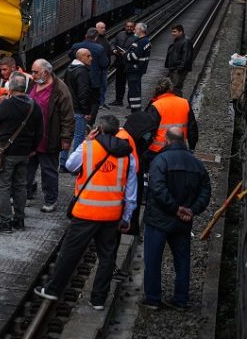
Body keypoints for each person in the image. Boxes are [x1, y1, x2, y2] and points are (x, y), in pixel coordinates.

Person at [35, 115, 137, 310]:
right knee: (107, 257)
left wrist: (85, 142)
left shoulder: (88, 147)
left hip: (86, 212)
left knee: (69, 252)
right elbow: (131, 190)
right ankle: (98, 300)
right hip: (111, 213)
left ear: (98, 129)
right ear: (117, 131)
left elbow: (69, 165)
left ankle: (53, 289)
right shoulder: (127, 154)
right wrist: (127, 216)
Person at [142, 127, 211, 310]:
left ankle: (153, 299)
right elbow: (206, 191)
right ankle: (181, 300)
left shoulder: (160, 161)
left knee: (153, 260)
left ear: (167, 140)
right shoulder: (197, 164)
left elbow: (157, 188)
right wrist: (192, 210)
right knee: (182, 262)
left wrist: (175, 208)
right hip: (183, 223)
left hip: (159, 220)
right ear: (184, 140)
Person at [0, 73, 42, 232]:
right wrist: (33, 149)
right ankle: (19, 220)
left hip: (6, 153)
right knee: (20, 186)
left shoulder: (7, 104)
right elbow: (40, 131)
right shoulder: (34, 105)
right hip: (24, 153)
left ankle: (5, 222)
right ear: (24, 88)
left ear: (10, 87)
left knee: (3, 186)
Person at [26, 59, 74, 212]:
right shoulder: (32, 84)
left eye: (35, 72)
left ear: (45, 73)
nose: (32, 75)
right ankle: (25, 194)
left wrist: (66, 138)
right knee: (27, 168)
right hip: (30, 138)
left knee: (49, 170)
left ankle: (50, 199)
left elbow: (67, 116)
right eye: (32, 72)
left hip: (49, 137)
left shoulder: (60, 89)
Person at [145, 77, 199, 158]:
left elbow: (149, 130)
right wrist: (192, 147)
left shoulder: (156, 105)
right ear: (171, 89)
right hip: (179, 148)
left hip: (157, 150)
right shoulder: (185, 103)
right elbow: (192, 128)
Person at [68, 28, 109, 121]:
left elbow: (70, 57)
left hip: (78, 78)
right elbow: (105, 64)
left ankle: (77, 119)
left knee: (78, 99)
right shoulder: (99, 48)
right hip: (94, 81)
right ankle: (90, 122)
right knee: (94, 102)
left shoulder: (76, 46)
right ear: (96, 37)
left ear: (86, 36)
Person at [65, 48, 93, 166]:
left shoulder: (69, 69)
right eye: (88, 56)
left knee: (66, 136)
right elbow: (83, 94)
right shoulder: (82, 72)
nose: (91, 58)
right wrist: (86, 111)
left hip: (68, 108)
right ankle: (75, 164)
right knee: (78, 136)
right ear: (80, 58)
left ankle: (62, 163)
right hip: (78, 110)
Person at [125, 22, 151, 112]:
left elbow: (135, 56)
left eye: (135, 28)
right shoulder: (140, 40)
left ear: (140, 30)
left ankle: (135, 112)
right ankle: (135, 110)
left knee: (134, 92)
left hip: (135, 69)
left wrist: (126, 55)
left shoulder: (143, 41)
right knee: (134, 91)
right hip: (135, 69)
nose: (134, 30)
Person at [110, 21, 137, 107]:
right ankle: (118, 100)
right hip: (120, 63)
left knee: (131, 84)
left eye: (131, 27)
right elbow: (113, 43)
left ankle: (131, 103)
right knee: (119, 82)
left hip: (130, 64)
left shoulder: (137, 37)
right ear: (125, 26)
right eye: (127, 26)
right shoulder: (120, 34)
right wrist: (114, 50)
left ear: (134, 27)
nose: (129, 28)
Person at [164, 25, 194, 95]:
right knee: (174, 88)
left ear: (181, 32)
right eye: (172, 32)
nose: (173, 34)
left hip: (178, 70)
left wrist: (179, 68)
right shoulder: (178, 40)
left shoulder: (185, 41)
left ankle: (178, 104)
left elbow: (186, 57)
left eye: (175, 32)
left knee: (176, 88)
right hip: (174, 68)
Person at [93, 22, 110, 106]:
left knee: (103, 86)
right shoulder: (95, 40)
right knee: (100, 85)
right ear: (97, 29)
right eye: (101, 28)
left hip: (104, 67)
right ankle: (99, 102)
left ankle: (101, 102)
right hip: (98, 68)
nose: (104, 30)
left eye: (104, 28)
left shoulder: (104, 38)